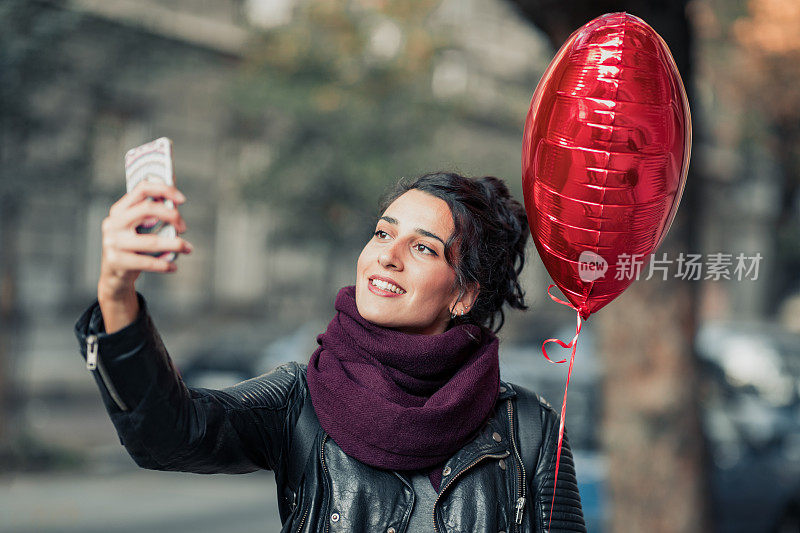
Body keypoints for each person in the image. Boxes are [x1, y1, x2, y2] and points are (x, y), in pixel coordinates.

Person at [74, 171, 586, 532]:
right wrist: (116, 291)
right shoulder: (300, 399)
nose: (386, 255)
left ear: (463, 295)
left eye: (423, 247)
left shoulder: (529, 428)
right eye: (383, 233)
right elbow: (167, 436)